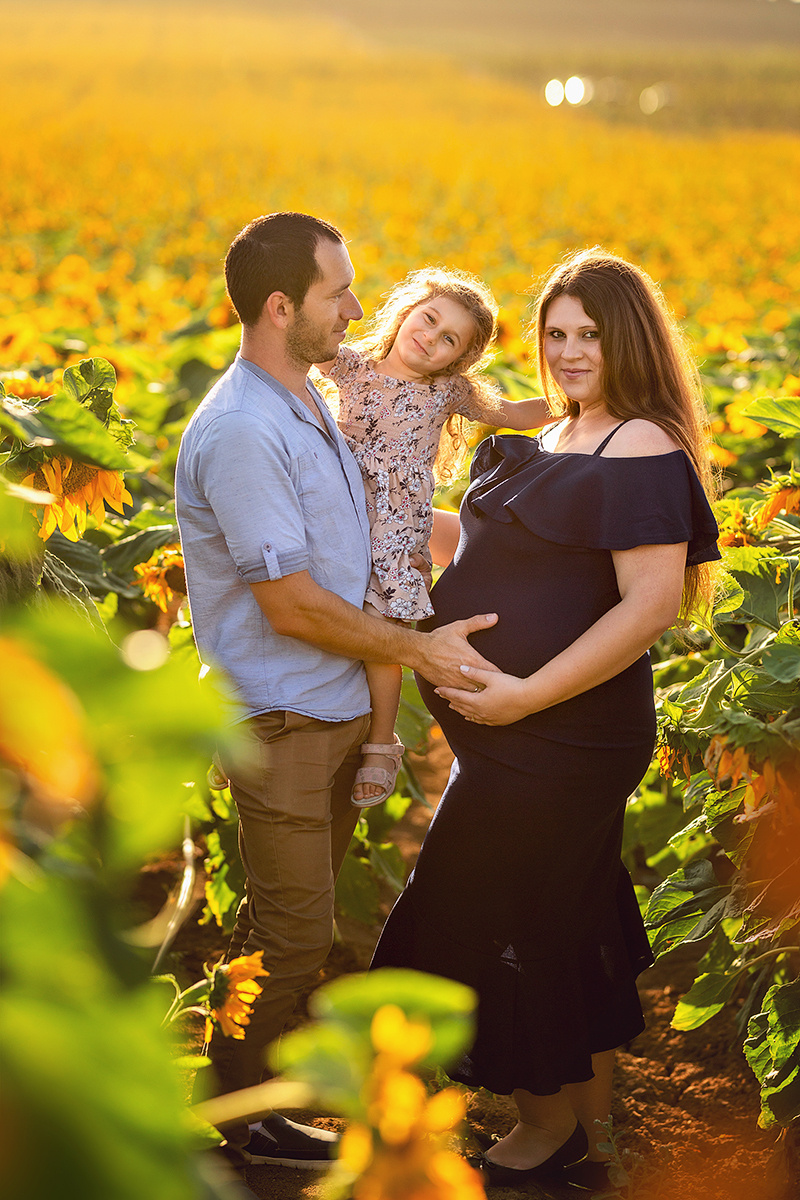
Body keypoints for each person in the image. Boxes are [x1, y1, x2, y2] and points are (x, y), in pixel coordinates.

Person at [370, 248, 720, 1190]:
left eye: (587, 336)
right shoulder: (563, 434)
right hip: (513, 741)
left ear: (629, 340)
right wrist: (380, 520)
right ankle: (589, 1121)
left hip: (564, 736)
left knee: (483, 908)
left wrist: (525, 695)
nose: (566, 353)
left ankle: (550, 1129)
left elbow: (647, 607)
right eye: (554, 334)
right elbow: (487, 543)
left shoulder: (641, 446)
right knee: (562, 911)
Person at [174, 212, 500, 1170]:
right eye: (338, 293)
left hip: (332, 708)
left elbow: (381, 513)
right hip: (282, 715)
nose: (360, 308)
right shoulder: (242, 428)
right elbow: (292, 605)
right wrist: (421, 650)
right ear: (282, 307)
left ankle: (242, 1101)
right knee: (296, 932)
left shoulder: (306, 397)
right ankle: (231, 1127)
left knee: (282, 922)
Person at [318, 268, 549, 805]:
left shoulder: (446, 392)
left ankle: (381, 742)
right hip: (334, 515)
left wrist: (581, 400)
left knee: (383, 636)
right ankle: (236, 720)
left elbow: (511, 414)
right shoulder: (350, 366)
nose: (431, 338)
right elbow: (290, 351)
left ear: (458, 359)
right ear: (404, 313)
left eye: (450, 339)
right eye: (428, 319)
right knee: (297, 608)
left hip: (395, 533)